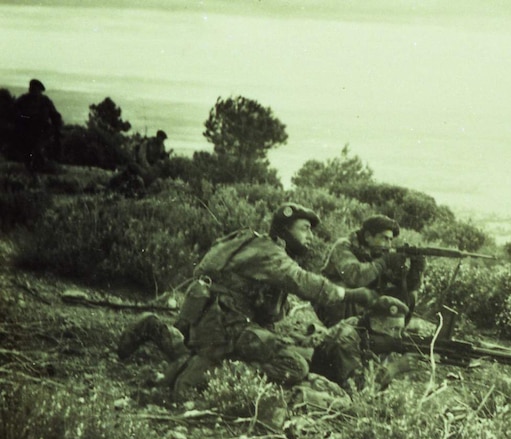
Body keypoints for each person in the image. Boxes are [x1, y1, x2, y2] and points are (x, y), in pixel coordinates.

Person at [117, 203, 377, 399]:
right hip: (225, 325)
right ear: (285, 229)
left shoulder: (259, 245)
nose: (310, 236)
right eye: (305, 229)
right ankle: (213, 374)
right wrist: (350, 294)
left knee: (198, 350)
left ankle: (157, 329)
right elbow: (301, 281)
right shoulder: (270, 253)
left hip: (211, 319)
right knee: (295, 366)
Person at [315, 215, 426, 327]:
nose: (389, 245)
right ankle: (339, 332)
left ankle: (392, 332)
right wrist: (384, 262)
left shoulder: (380, 252)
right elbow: (354, 277)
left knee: (410, 294)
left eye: (391, 240)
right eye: (384, 238)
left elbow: (403, 285)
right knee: (348, 288)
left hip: (364, 303)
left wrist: (416, 270)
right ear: (368, 236)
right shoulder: (344, 245)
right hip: (332, 303)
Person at [12, 79, 63, 172]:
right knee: (28, 152)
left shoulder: (45, 101)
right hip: (26, 131)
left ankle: (40, 168)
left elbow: (55, 116)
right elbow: (13, 112)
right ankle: (33, 169)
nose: (33, 91)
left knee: (38, 149)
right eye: (32, 89)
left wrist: (57, 128)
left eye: (36, 89)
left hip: (42, 131)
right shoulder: (23, 100)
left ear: (40, 90)